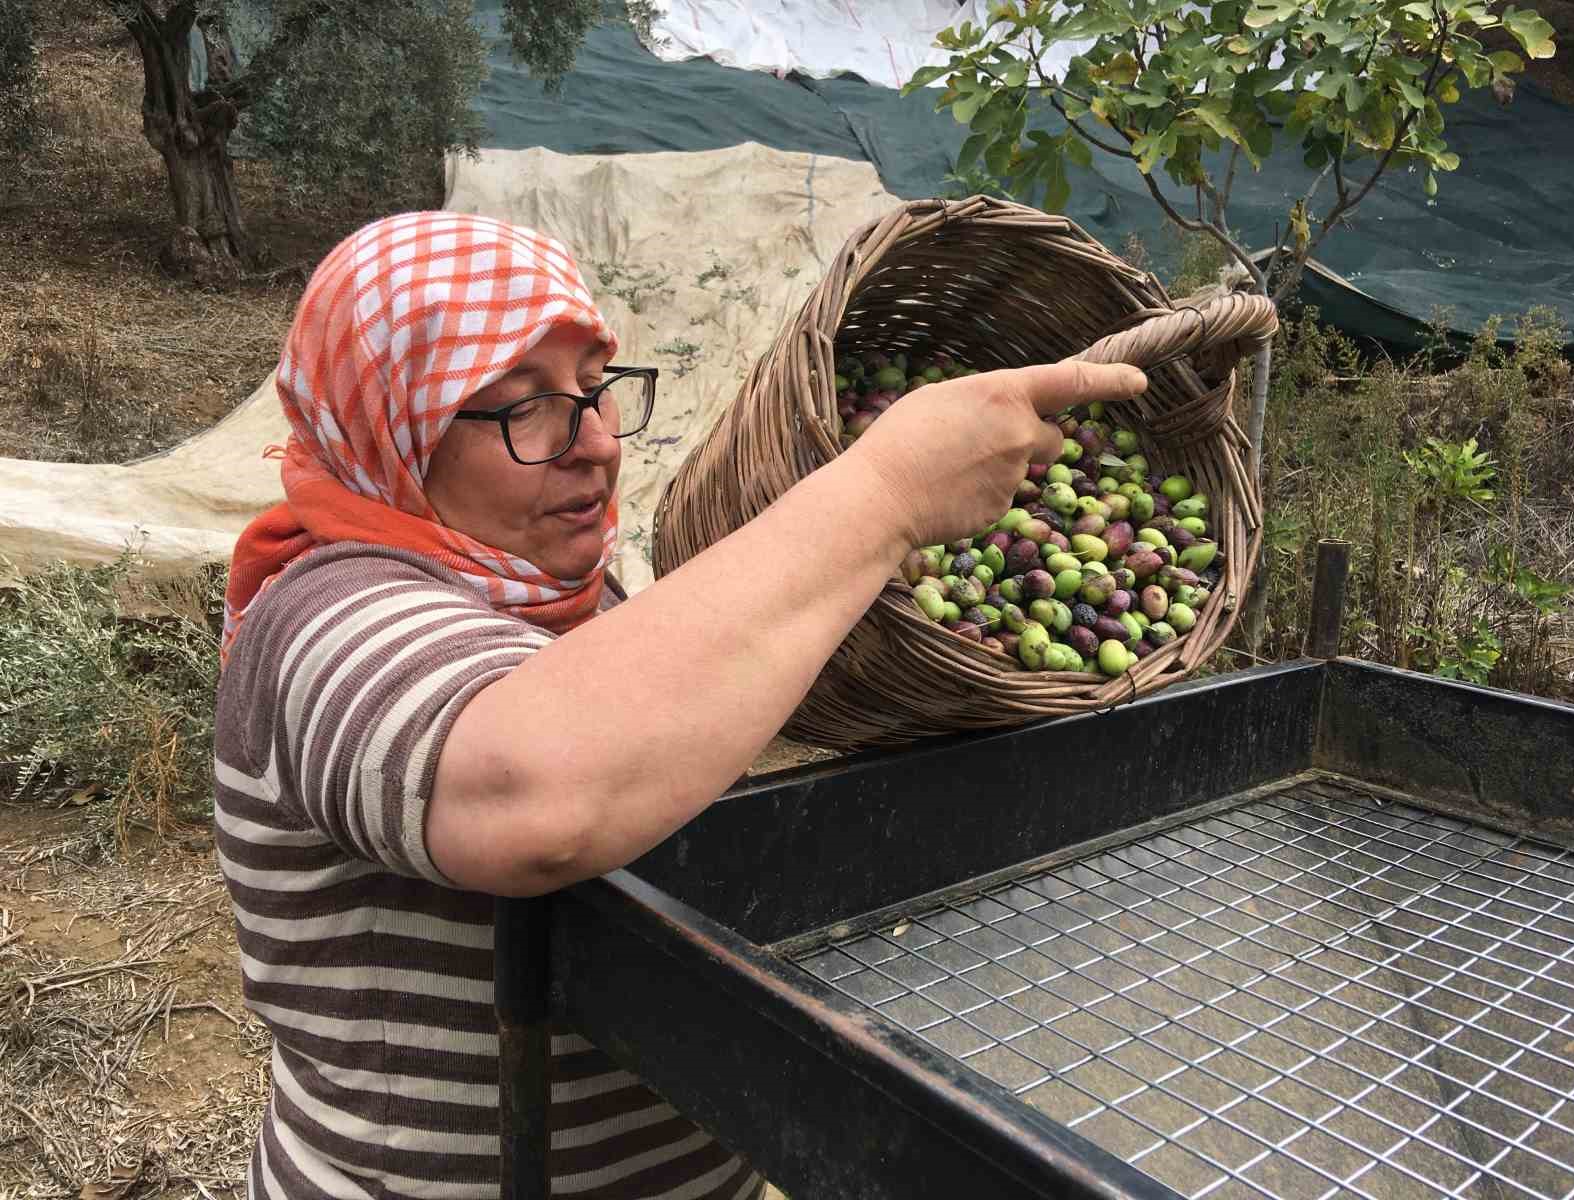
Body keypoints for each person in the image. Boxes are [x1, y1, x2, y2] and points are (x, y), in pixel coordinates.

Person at [212, 210, 1147, 1200]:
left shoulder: (576, 604)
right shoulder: (319, 617)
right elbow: (538, 797)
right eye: (519, 406)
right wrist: (884, 493)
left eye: (592, 388)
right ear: (389, 423)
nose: (595, 445)